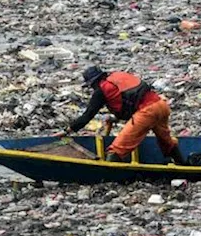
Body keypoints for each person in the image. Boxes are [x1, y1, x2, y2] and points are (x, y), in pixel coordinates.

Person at [57, 66, 192, 165]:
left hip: (147, 112)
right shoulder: (118, 77)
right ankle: (183, 164)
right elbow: (131, 99)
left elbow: (88, 115)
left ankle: (110, 173)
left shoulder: (101, 91)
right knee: (166, 141)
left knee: (116, 150)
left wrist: (68, 130)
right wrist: (116, 117)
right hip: (161, 105)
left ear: (92, 83)